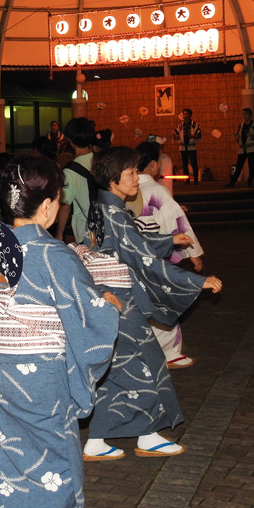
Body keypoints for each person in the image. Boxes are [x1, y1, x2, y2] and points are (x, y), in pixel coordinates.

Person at [0, 155, 119, 508]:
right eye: (58, 199)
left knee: (10, 451)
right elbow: (88, 318)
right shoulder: (53, 254)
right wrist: (107, 306)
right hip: (40, 372)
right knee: (55, 455)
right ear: (46, 205)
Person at [87, 146, 222, 458]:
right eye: (131, 173)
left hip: (108, 299)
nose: (137, 178)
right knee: (145, 364)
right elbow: (142, 258)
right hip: (121, 302)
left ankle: (97, 441)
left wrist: (168, 240)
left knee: (116, 370)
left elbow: (132, 246)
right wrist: (196, 281)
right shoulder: (115, 214)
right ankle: (147, 436)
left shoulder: (102, 208)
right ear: (113, 180)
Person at [130, 141, 205, 368]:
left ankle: (143, 350)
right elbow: (177, 222)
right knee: (164, 301)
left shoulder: (126, 189)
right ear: (153, 165)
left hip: (132, 255)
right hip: (156, 255)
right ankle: (169, 352)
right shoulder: (156, 190)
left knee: (139, 303)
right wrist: (192, 252)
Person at [55, 117, 96, 243]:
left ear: (71, 141)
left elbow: (65, 206)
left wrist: (59, 234)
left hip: (86, 232)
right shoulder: (101, 161)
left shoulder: (70, 171)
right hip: (107, 226)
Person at [225, 108, 254, 188]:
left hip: (252, 148)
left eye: (246, 114)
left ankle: (249, 182)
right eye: (243, 114)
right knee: (239, 166)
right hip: (242, 149)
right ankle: (232, 182)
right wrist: (237, 137)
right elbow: (239, 137)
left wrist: (251, 136)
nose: (244, 116)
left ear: (250, 116)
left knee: (251, 165)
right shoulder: (241, 125)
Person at [173, 108, 202, 184]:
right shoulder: (180, 126)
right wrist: (178, 138)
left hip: (192, 147)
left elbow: (199, 135)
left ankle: (195, 180)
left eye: (186, 114)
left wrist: (193, 136)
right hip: (182, 147)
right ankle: (187, 180)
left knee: (193, 164)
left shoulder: (195, 125)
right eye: (184, 114)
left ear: (190, 115)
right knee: (184, 164)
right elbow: (175, 134)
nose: (185, 116)